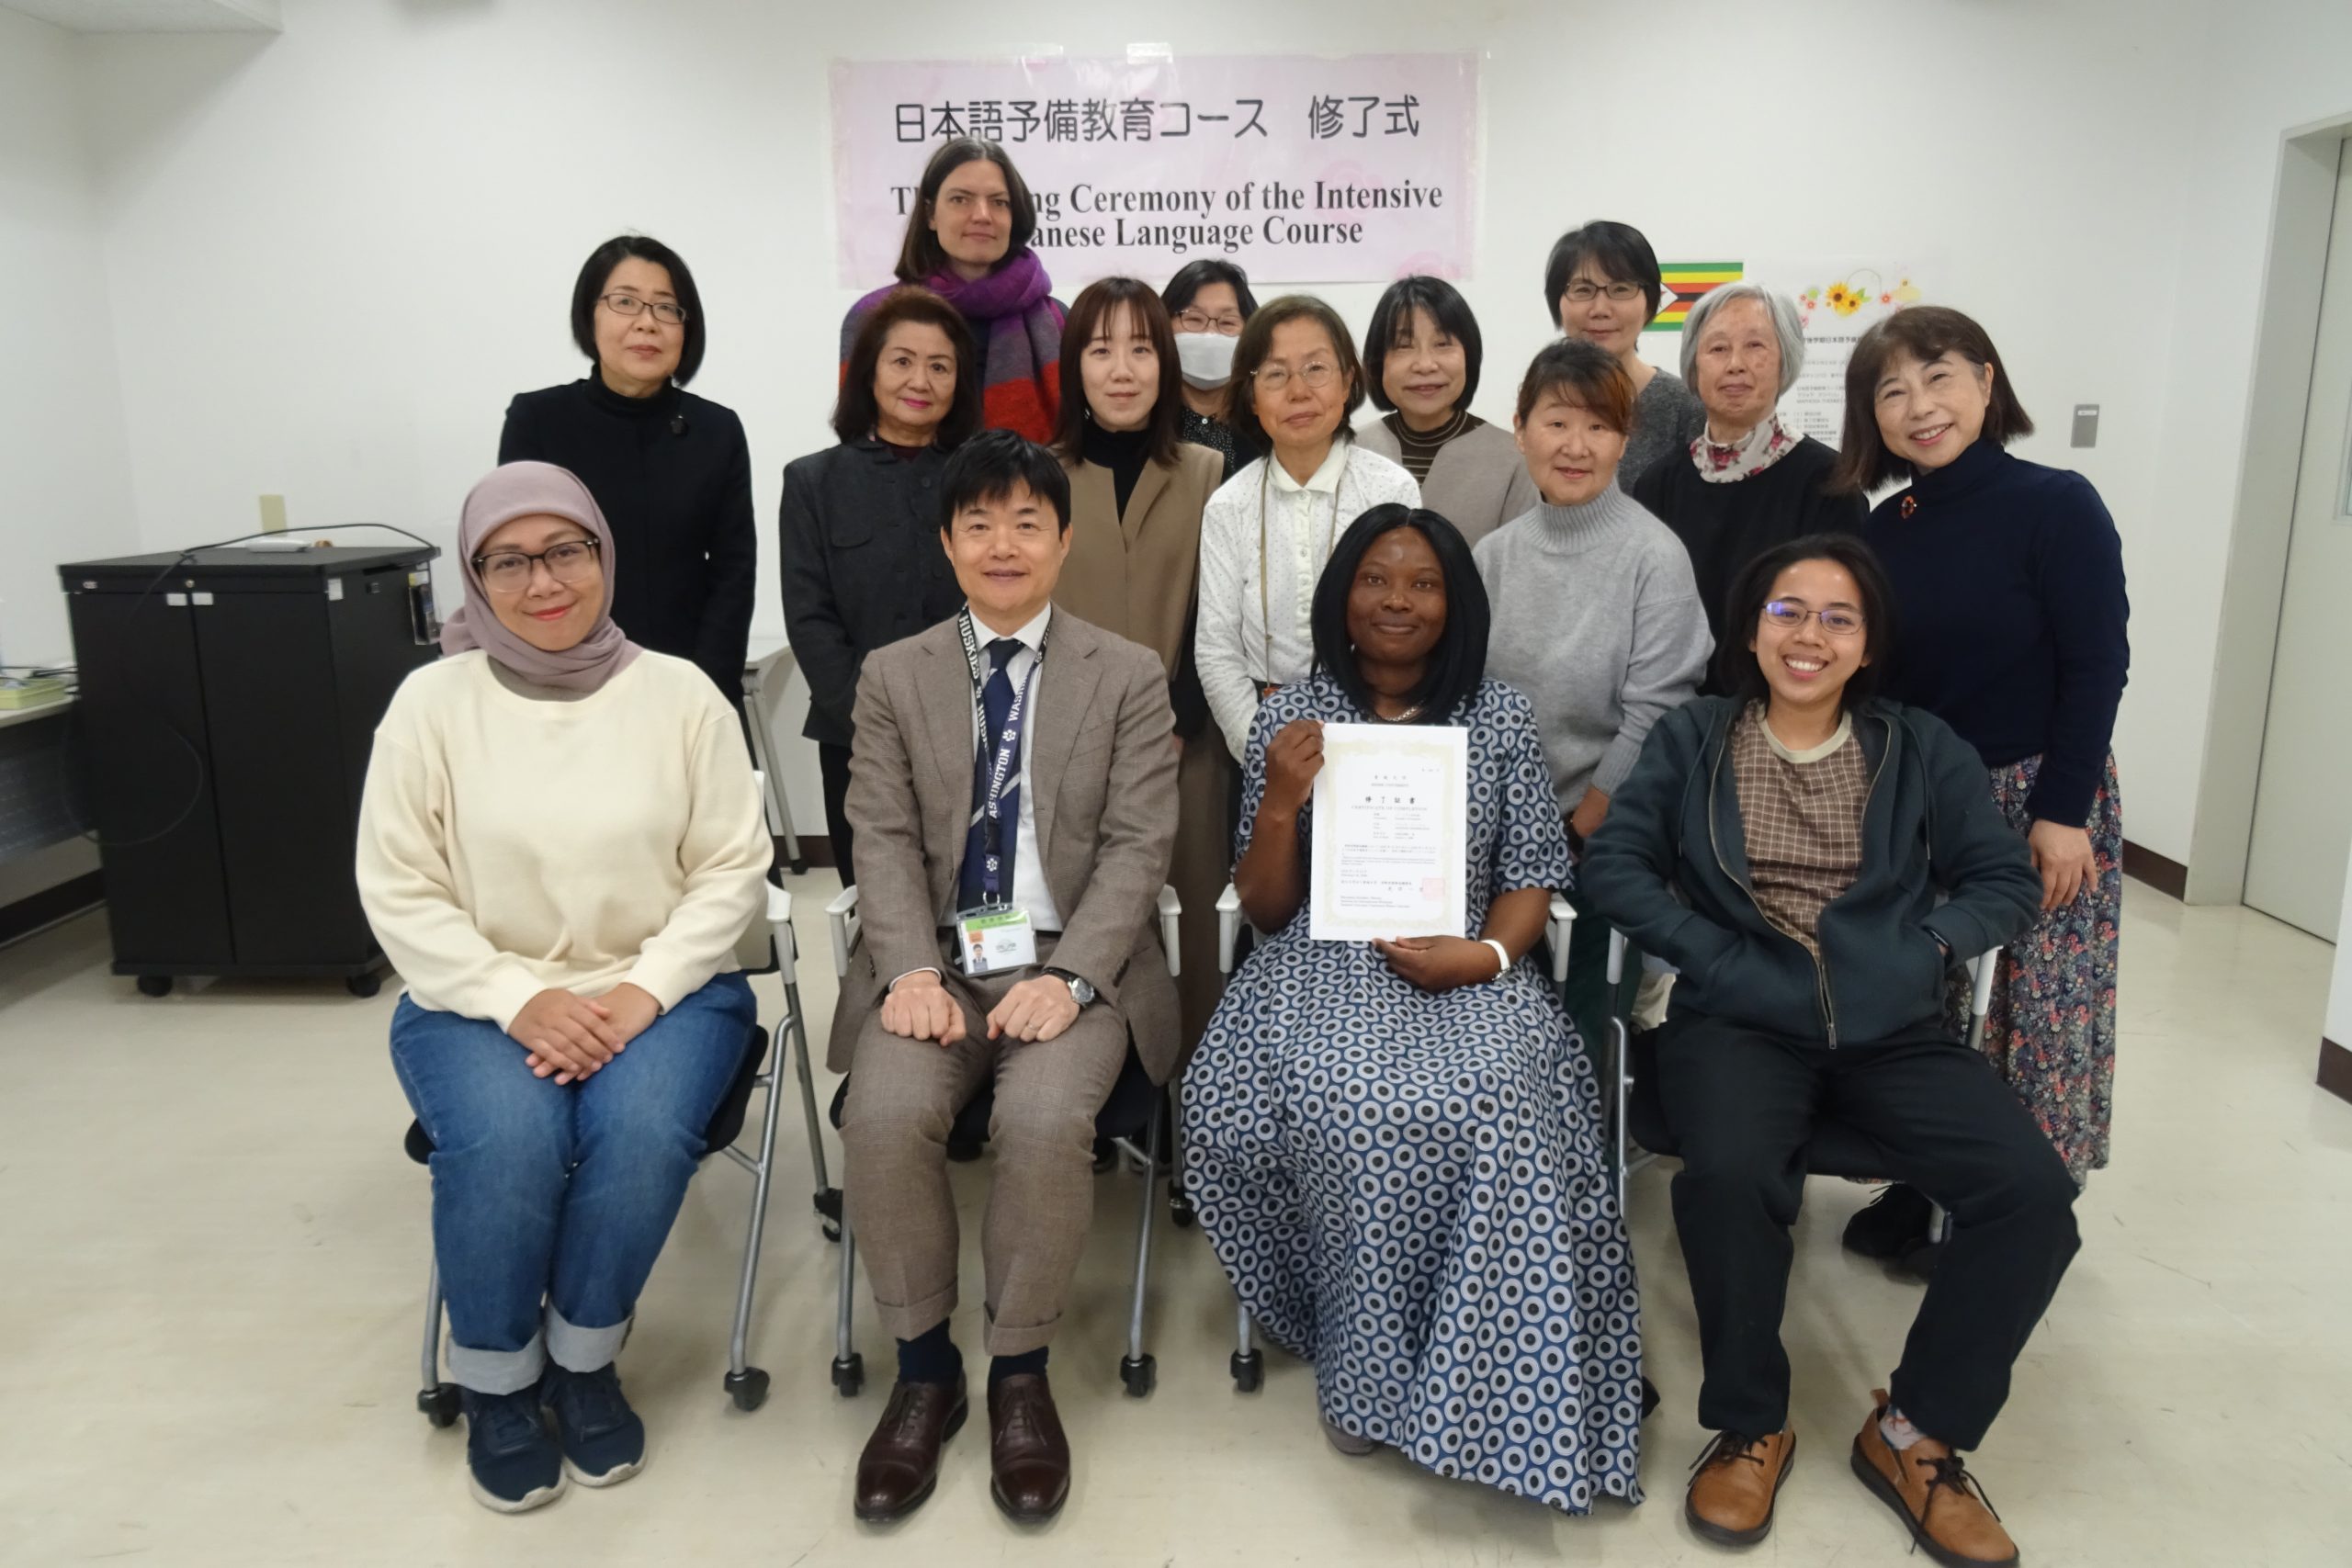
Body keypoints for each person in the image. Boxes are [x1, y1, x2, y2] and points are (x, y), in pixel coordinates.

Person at [1583, 534, 2075, 1566]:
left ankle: (1916, 1432)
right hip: (1736, 1019)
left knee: (2030, 1192)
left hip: (1893, 1027)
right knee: (1727, 1175)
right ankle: (1750, 1424)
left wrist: (1923, 947)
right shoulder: (1694, 736)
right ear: (1751, 629)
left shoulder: (1920, 746)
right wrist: (1711, 951)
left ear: (1868, 644)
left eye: (1837, 618)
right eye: (1787, 611)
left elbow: (2001, 880)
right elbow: (1616, 865)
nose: (1809, 635)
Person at [1182, 504, 1645, 1513]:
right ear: (1341, 596)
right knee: (1347, 1104)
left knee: (1502, 1096)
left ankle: (1498, 1368)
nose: (1398, 600)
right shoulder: (1294, 715)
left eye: (1423, 583)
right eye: (1376, 579)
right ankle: (1367, 1366)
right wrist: (1279, 800)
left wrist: (1485, 955)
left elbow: (1531, 873)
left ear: (1455, 602)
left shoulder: (1499, 715)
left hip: (1463, 957)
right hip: (1319, 961)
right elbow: (1264, 906)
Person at [357, 462, 771, 1514]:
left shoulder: (679, 695)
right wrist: (517, 998)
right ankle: (497, 1384)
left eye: (565, 551)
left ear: (603, 554)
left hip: (667, 994)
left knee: (637, 1131)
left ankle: (583, 1363)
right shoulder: (430, 705)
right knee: (509, 1138)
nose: (543, 581)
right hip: (476, 1001)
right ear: (474, 576)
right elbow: (399, 886)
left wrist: (643, 991)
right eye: (509, 561)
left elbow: (732, 869)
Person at [829, 431, 1180, 1527]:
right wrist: (907, 969)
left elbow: (1138, 847)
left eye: (1027, 522)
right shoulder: (893, 675)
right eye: (977, 523)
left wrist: (1070, 977)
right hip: (932, 959)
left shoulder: (1127, 674)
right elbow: (880, 837)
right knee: (884, 1113)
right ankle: (924, 1370)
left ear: (1064, 540)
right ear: (946, 542)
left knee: (1039, 1120)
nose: (1002, 544)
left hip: (1074, 962)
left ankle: (1019, 1373)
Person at [1834, 305, 2131, 1269]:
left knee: (2032, 1009)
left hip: (2039, 796)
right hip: (1926, 799)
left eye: (1940, 378)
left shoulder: (2057, 504)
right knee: (1930, 1000)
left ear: (1986, 383)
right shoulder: (1886, 528)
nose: (1920, 407)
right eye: (1892, 391)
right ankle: (1926, 1181)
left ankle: (2013, 1215)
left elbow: (2097, 666)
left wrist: (2061, 814)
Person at [1476, 339, 1711, 1051]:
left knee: (1578, 1036)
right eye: (1556, 422)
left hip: (1601, 841)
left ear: (1624, 439)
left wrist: (1578, 831)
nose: (1576, 446)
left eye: (1599, 426)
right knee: (1489, 1024)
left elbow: (1657, 710)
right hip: (1496, 839)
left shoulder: (1655, 555)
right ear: (1521, 429)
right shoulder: (1493, 555)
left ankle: (1589, 1121)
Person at [1049, 276, 1229, 1044]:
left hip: (1185, 745)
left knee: (1194, 937)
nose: (1122, 370)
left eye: (1141, 349)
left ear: (1166, 364)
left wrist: (1177, 719)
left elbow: (1218, 613)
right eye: (1100, 350)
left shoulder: (1209, 472)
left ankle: (1197, 1103)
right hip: (1064, 750)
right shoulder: (1039, 478)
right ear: (1074, 367)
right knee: (1077, 929)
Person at [780, 288, 983, 885]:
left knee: (975, 898)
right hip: (855, 738)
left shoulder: (982, 480)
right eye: (902, 361)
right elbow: (810, 617)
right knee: (877, 903)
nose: (920, 380)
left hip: (974, 738)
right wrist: (870, 723)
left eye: (940, 366)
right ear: (868, 372)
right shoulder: (813, 481)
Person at [500, 235, 755, 698]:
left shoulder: (717, 429)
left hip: (690, 680)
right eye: (625, 302)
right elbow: (522, 564)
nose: (646, 323)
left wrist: (705, 689)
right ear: (589, 315)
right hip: (571, 681)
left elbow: (734, 572)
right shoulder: (537, 420)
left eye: (666, 308)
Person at [1195, 294, 1419, 761]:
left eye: (1316, 368)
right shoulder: (1228, 506)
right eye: (1275, 374)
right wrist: (1261, 750)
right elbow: (1217, 649)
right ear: (1251, 397)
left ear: (1348, 381)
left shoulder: (1390, 490)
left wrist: (1375, 736)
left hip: (1374, 734)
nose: (1298, 391)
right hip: (1262, 729)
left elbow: (1411, 631)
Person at [1631, 283, 1864, 676]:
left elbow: (1840, 622)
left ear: (1784, 361)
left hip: (1788, 695)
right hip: (1674, 697)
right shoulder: (1658, 484)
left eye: (1756, 346)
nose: (1735, 364)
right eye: (1718, 348)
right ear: (1694, 367)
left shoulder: (1830, 483)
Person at [843, 138, 1065, 441]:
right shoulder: (874, 317)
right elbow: (857, 436)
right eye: (961, 199)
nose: (982, 215)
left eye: (999, 202)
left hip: (1028, 474)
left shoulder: (1057, 320)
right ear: (931, 214)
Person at [1356, 275, 1539, 545]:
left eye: (1442, 344)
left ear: (1469, 356)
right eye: (1403, 346)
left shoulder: (1514, 460)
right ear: (1377, 362)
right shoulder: (1352, 451)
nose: (1425, 365)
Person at [1543, 220, 1705, 493]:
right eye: (1583, 290)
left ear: (1650, 301)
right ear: (1557, 302)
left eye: (1620, 289)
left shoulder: (1685, 409)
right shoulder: (1540, 400)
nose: (1600, 309)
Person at [1161, 258, 1259, 481]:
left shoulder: (1268, 426)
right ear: (1164, 324)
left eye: (1227, 322)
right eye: (1194, 319)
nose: (1211, 333)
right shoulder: (1144, 424)